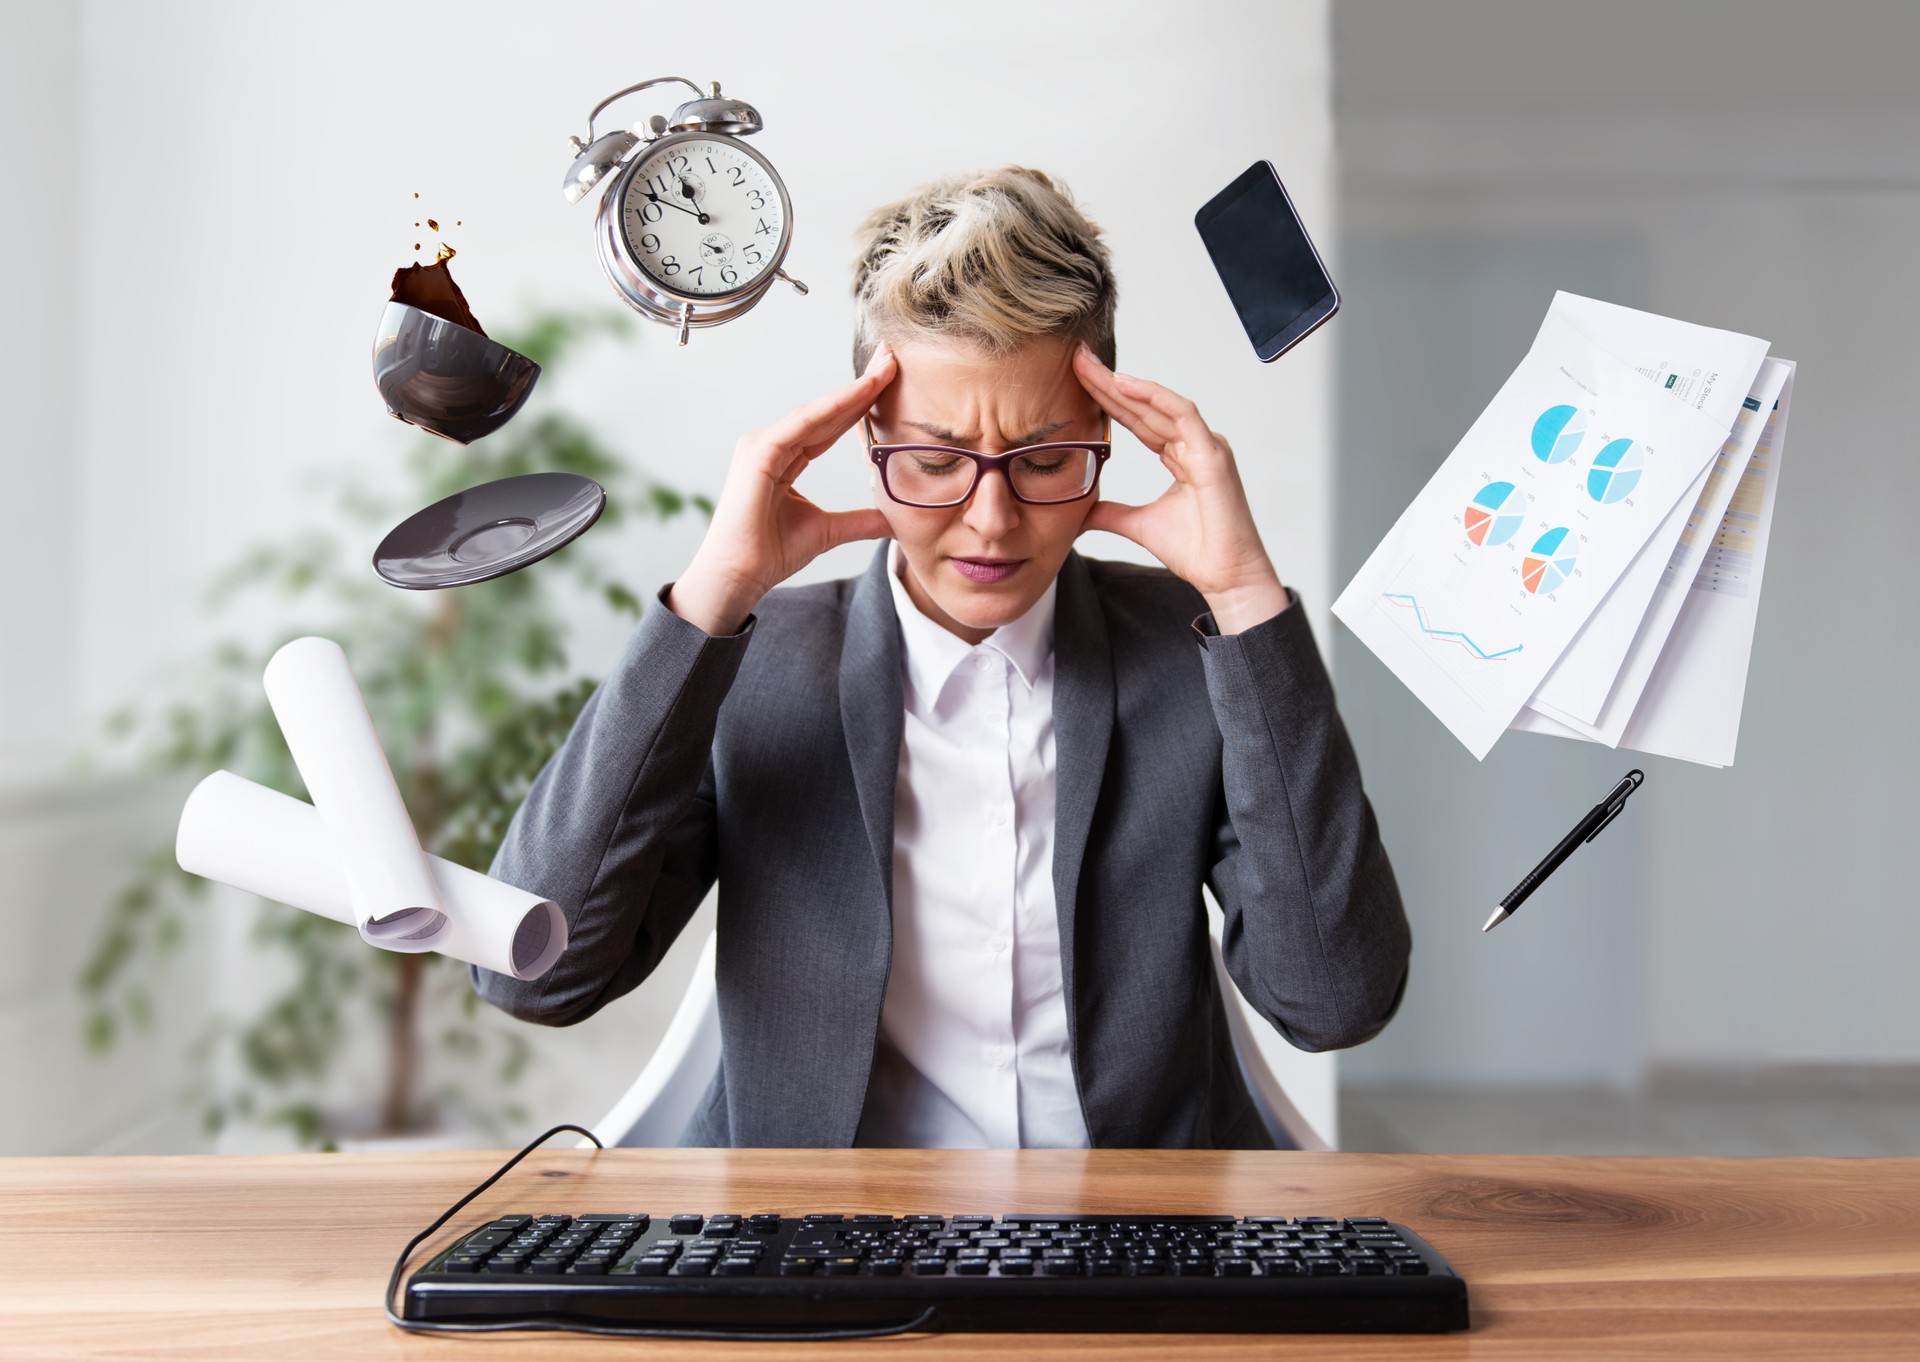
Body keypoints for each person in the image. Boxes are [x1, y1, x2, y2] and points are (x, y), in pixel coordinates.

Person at [473, 166, 1410, 1149]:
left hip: (1134, 1251)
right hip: (824, 1253)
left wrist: (1248, 596)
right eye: (933, 461)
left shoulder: (1193, 652)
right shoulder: (759, 663)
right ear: (865, 437)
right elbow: (531, 974)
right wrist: (709, 600)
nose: (991, 520)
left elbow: (1336, 1003)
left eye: (1045, 461)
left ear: (1107, 436)